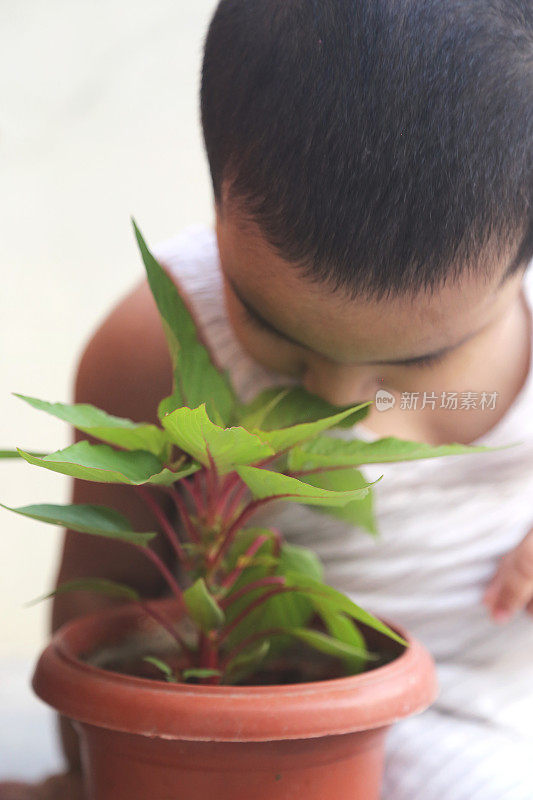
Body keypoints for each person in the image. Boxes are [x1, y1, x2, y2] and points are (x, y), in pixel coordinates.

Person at [3, 1, 531, 798]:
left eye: (419, 359)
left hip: (501, 713)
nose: (340, 399)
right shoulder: (157, 344)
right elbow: (94, 621)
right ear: (219, 191)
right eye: (278, 332)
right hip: (270, 729)